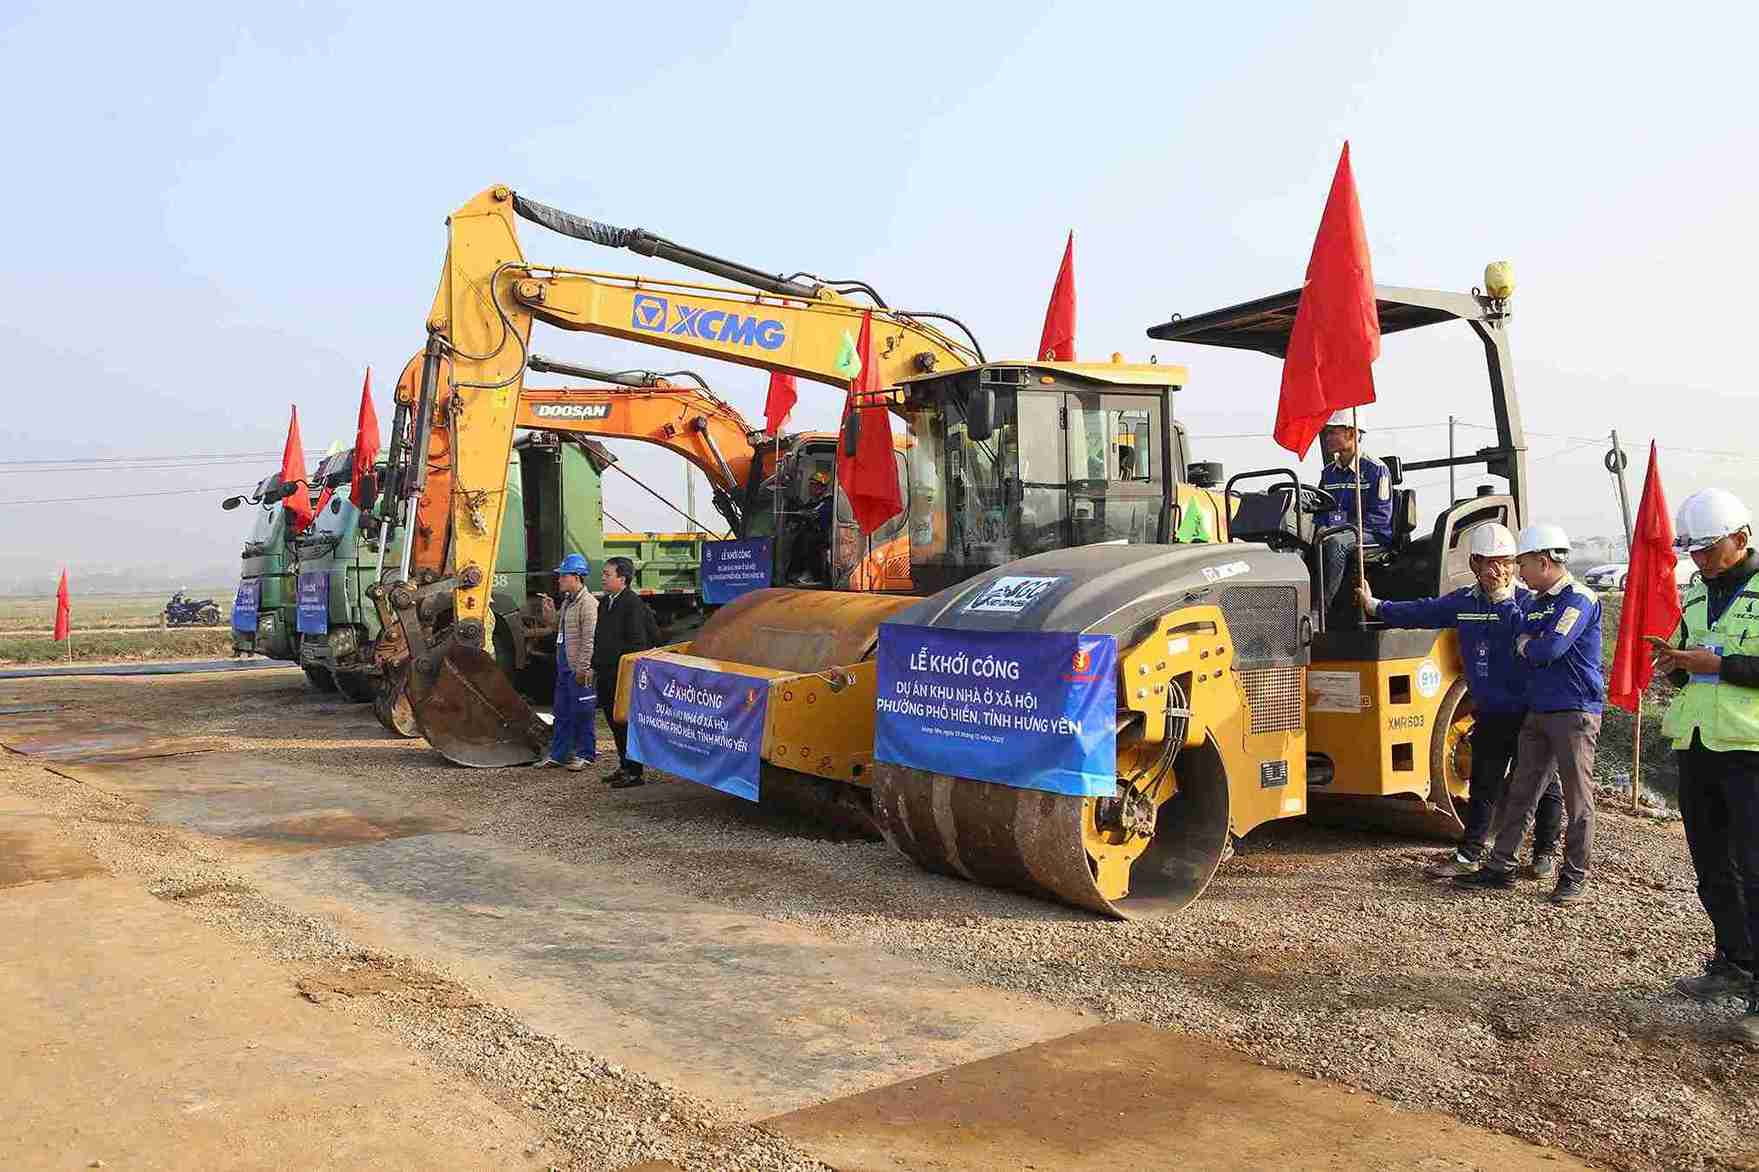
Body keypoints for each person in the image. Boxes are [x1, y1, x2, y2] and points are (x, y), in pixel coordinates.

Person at [1357, 523, 1565, 878]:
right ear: (1473, 563)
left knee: (1543, 783)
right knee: (1484, 782)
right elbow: (1422, 612)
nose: (1495, 570)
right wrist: (1375, 605)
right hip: (1491, 709)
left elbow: (1532, 639)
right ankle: (1470, 853)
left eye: (1503, 562)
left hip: (1530, 712)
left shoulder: (1529, 602)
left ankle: (1545, 852)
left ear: (1515, 564)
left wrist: (1503, 603)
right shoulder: (1464, 602)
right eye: (1486, 562)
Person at [1652, 488, 1759, 1043]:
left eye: (1709, 549)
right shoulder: (1696, 596)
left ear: (1741, 538)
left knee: (1755, 866)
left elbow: (1728, 664)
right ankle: (1732, 961)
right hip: (1698, 743)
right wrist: (1673, 664)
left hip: (1750, 751)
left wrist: (1720, 664)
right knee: (1712, 861)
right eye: (1692, 551)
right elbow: (1689, 661)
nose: (1700, 559)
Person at [1458, 523, 1604, 904]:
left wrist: (1529, 644)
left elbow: (1548, 650)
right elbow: (1521, 638)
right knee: (1521, 792)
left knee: (1577, 799)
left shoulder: (1578, 599)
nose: (1517, 573)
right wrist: (1528, 642)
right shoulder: (1537, 603)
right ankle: (1500, 866)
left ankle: (1574, 876)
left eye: (1521, 564)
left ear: (1543, 561)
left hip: (1573, 712)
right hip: (1538, 710)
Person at [1316, 412, 1394, 617]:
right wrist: (1322, 526)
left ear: (1351, 433)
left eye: (1332, 432)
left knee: (1335, 543)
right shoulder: (1328, 473)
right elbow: (1321, 510)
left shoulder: (1376, 470)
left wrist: (1338, 529)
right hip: (1341, 531)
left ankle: (1321, 612)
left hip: (1372, 534)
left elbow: (1379, 519)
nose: (1327, 437)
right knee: (1304, 541)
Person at [594, 555, 662, 788]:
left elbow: (638, 643)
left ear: (622, 579)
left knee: (625, 723)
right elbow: (600, 638)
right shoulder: (605, 603)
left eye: (607, 574)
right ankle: (624, 765)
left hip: (622, 675)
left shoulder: (632, 604)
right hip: (604, 672)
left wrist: (625, 672)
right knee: (614, 722)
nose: (603, 578)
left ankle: (634, 772)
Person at [533, 553, 597, 771]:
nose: (559, 579)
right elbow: (555, 627)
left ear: (576, 577)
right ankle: (560, 754)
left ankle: (585, 754)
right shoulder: (569, 603)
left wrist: (583, 668)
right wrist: (549, 612)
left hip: (576, 668)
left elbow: (589, 639)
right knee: (562, 712)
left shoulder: (588, 605)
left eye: (563, 576)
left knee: (582, 712)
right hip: (564, 666)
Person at [788, 471, 834, 584]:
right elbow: (803, 512)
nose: (810, 487)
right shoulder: (811, 502)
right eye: (811, 484)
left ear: (822, 488)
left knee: (808, 540)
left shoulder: (828, 501)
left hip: (825, 535)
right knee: (796, 538)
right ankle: (795, 572)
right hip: (812, 532)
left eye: (814, 485)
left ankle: (814, 575)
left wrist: (804, 513)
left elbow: (815, 513)